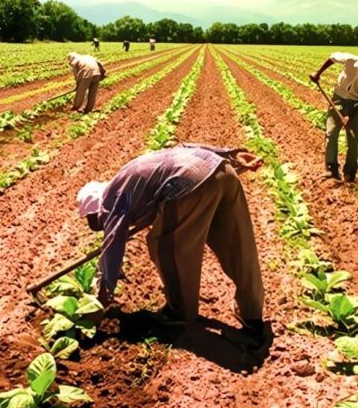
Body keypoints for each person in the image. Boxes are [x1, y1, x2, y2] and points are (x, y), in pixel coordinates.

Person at [76, 144, 266, 342]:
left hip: (189, 183)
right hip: (222, 170)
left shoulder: (111, 199)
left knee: (166, 246)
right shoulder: (130, 179)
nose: (101, 225)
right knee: (237, 245)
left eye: (96, 222)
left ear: (96, 209)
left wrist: (99, 298)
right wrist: (231, 155)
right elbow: (181, 147)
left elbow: (112, 249)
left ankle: (179, 314)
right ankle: (252, 314)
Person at [309, 53, 358, 181]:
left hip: (356, 107)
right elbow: (333, 57)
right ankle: (331, 169)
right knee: (331, 133)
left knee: (354, 140)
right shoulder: (351, 61)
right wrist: (318, 74)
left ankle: (350, 173)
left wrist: (349, 116)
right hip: (338, 99)